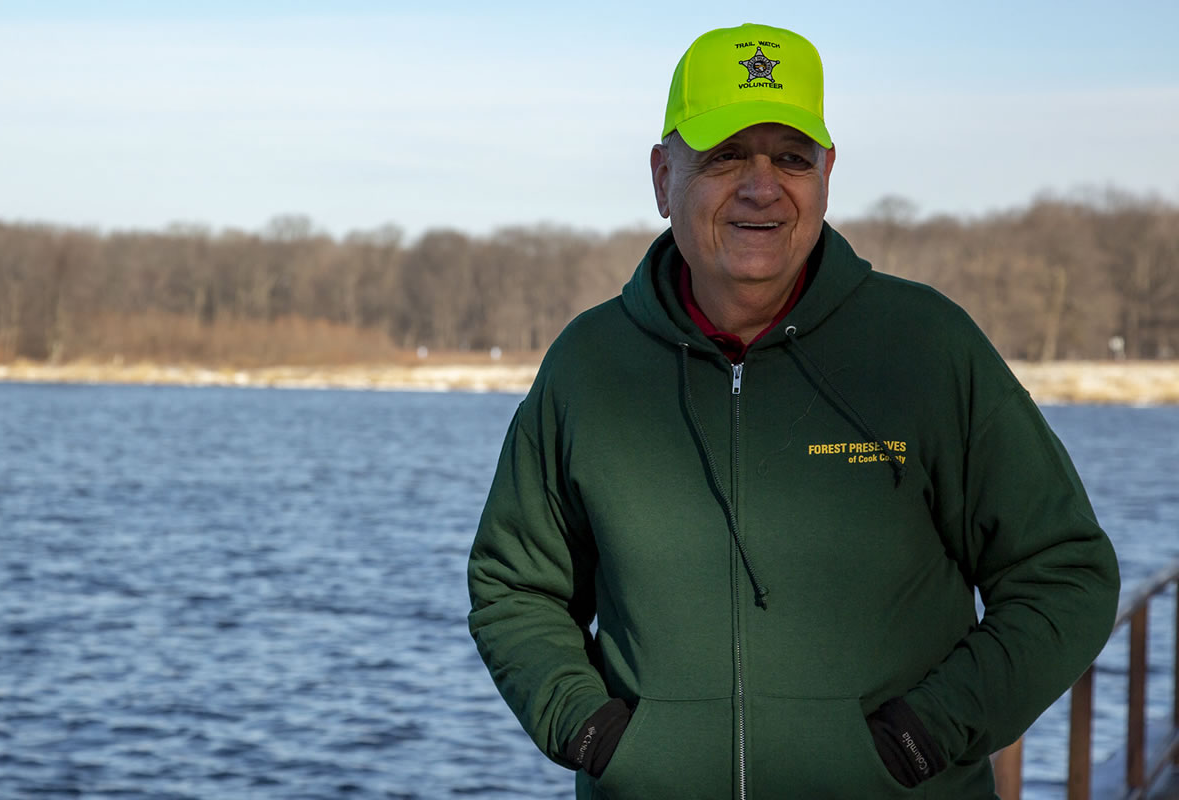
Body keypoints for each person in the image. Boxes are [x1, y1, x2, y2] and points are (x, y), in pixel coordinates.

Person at [466, 22, 1120, 800]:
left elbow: (1064, 573)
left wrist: (925, 735)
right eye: (725, 155)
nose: (761, 185)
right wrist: (592, 731)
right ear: (661, 175)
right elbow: (515, 586)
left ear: (827, 173)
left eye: (791, 157)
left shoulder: (925, 347)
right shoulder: (589, 365)